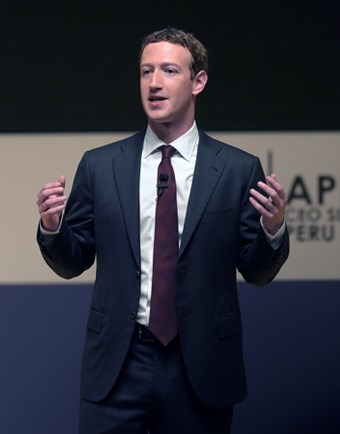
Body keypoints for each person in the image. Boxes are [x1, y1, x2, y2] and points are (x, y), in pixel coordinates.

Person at [35, 28, 289, 434]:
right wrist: (52, 228)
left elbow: (257, 272)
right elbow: (71, 262)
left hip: (200, 367)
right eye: (145, 71)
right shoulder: (101, 166)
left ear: (198, 81)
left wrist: (271, 230)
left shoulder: (238, 169)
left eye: (169, 70)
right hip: (118, 365)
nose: (154, 83)